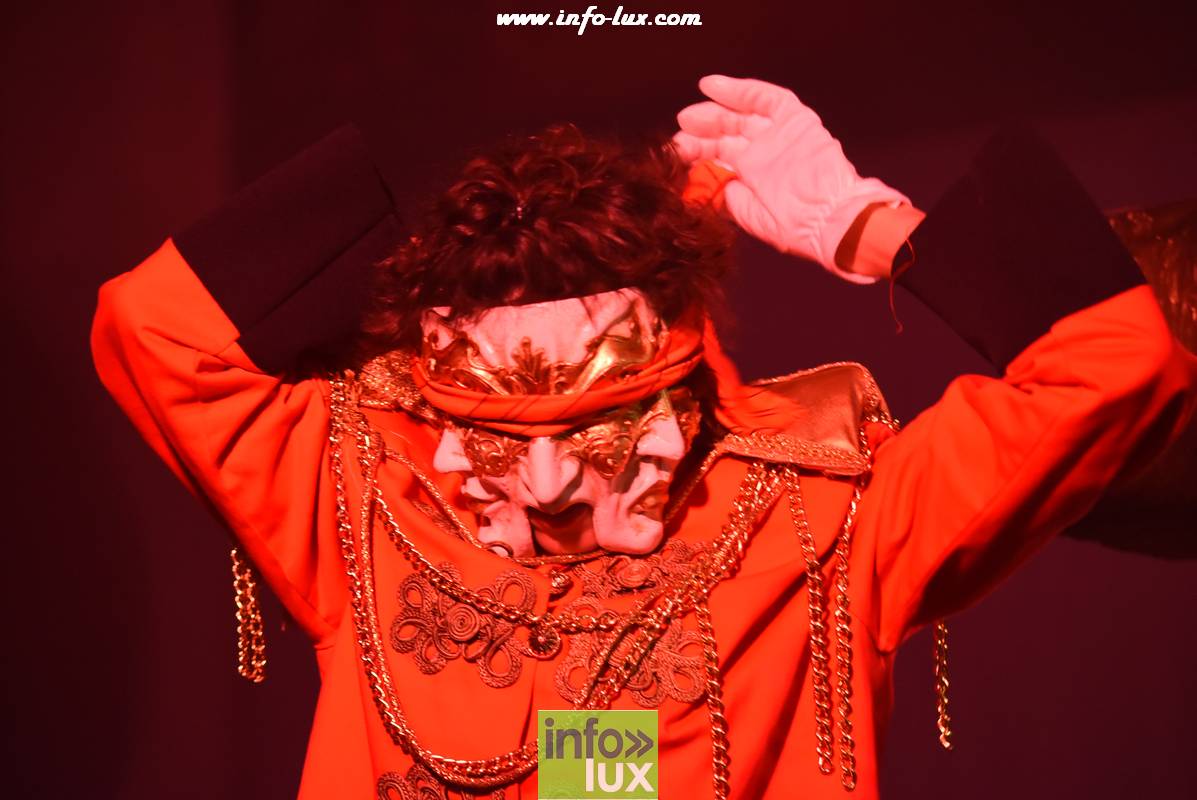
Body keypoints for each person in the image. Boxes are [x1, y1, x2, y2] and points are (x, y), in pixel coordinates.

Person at [91, 76, 1197, 799]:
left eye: (595, 431)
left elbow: (1116, 364)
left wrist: (865, 224)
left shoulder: (824, 519)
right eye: (499, 432)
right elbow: (155, 328)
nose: (546, 483)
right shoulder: (369, 501)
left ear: (675, 404)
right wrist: (404, 262)